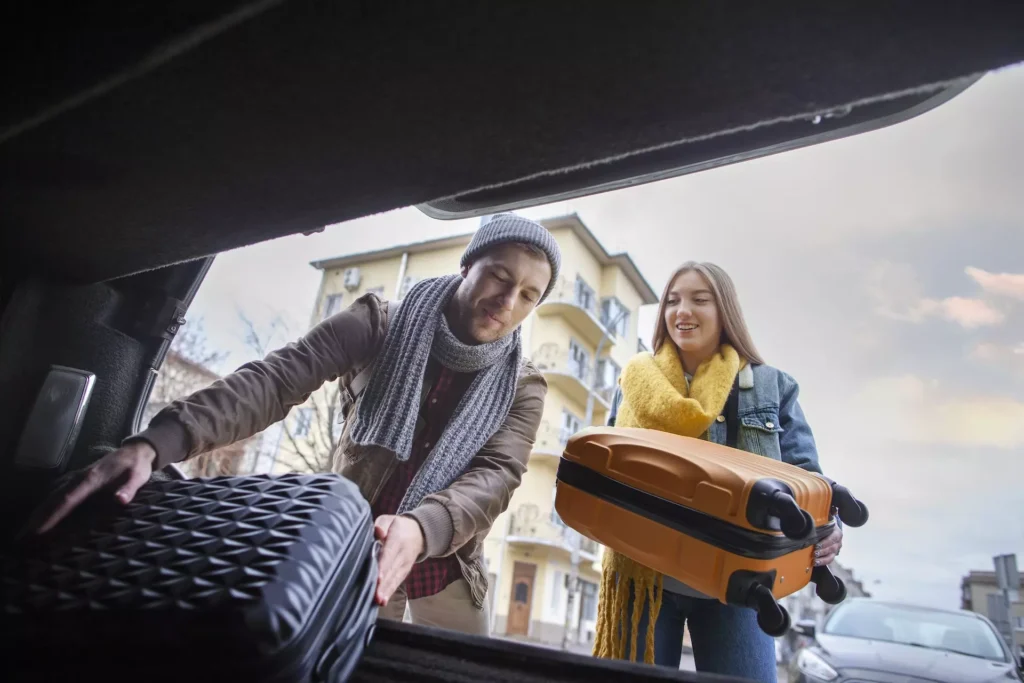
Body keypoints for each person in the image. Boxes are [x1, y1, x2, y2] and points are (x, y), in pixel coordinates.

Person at [24, 213, 562, 636]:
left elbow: (498, 474)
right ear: (468, 265)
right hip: (352, 546)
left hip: (448, 564)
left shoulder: (525, 386)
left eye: (528, 295)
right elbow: (276, 380)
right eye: (500, 276)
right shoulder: (379, 322)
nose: (507, 302)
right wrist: (154, 445)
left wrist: (425, 528)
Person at [592, 261, 844, 682]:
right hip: (644, 583)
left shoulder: (772, 386)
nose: (682, 311)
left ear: (724, 310)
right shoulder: (635, 381)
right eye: (672, 301)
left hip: (742, 586)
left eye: (699, 299)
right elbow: (610, 470)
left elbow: (809, 478)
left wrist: (829, 527)